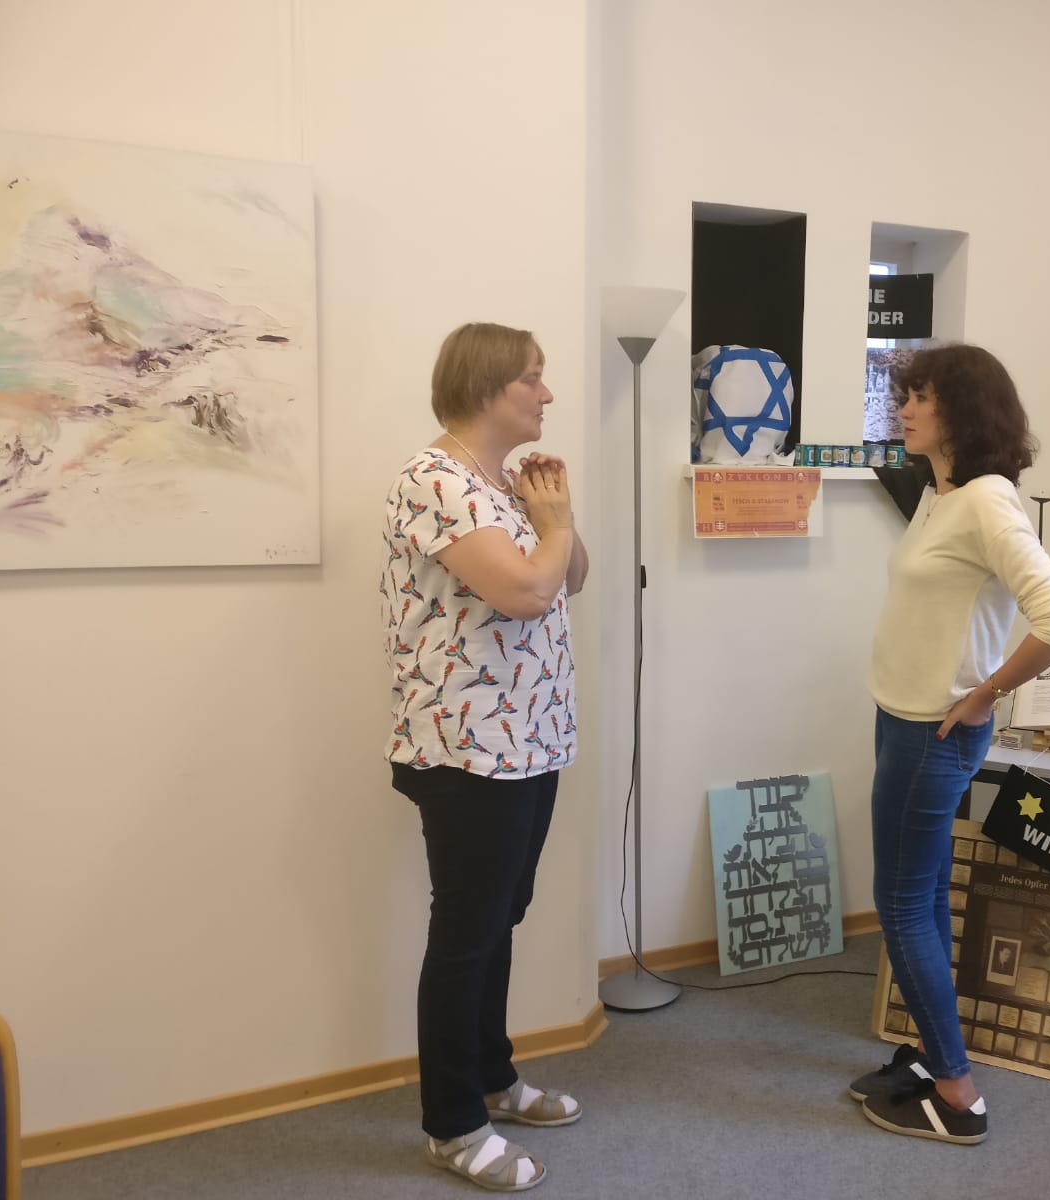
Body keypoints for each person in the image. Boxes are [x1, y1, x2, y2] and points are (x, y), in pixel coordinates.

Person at [849, 343, 1050, 1145]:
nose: (905, 408)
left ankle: (957, 1094)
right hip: (902, 719)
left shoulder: (987, 501)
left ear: (964, 411)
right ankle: (928, 1055)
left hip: (932, 735)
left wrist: (987, 692)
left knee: (899, 904)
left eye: (922, 397)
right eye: (906, 395)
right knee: (922, 900)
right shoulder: (939, 494)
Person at [379, 322, 590, 1191]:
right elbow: (527, 589)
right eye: (532, 379)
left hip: (529, 739)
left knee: (499, 918)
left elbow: (572, 575)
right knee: (467, 934)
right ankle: (453, 1124)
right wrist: (551, 528)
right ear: (486, 387)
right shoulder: (432, 480)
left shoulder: (499, 484)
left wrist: (555, 514)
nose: (547, 394)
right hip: (466, 750)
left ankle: (494, 1078)